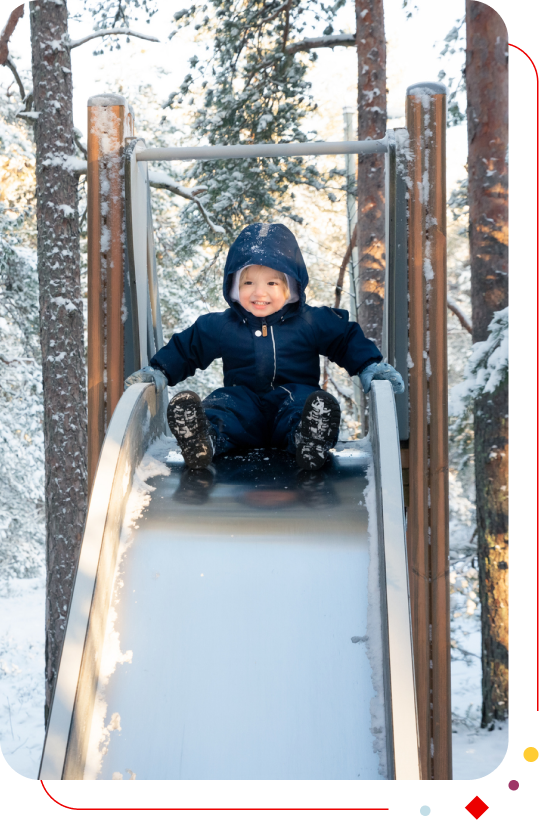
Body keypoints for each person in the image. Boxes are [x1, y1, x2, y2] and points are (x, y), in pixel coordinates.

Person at [125, 223, 404, 471]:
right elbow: (189, 347)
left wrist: (370, 365)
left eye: (272, 282)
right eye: (248, 282)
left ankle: (308, 440)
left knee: (304, 407)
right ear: (234, 286)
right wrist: (158, 370)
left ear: (291, 287)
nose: (259, 292)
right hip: (243, 400)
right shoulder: (224, 325)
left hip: (292, 396)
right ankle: (203, 439)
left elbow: (345, 339)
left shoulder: (310, 322)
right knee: (222, 406)